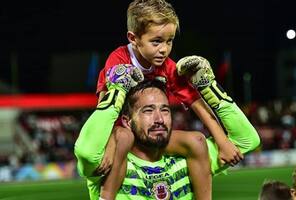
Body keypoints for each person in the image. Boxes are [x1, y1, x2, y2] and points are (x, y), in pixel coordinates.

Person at [96, 0, 244, 198]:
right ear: (133, 38)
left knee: (197, 140)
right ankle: (106, 195)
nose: (164, 49)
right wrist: (109, 143)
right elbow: (106, 105)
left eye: (170, 40)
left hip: (149, 135)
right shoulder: (118, 59)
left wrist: (222, 141)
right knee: (124, 138)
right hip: (123, 131)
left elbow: (196, 103)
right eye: (156, 41)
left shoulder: (168, 66)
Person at [74, 58, 260, 199]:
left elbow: (247, 139)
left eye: (165, 110)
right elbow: (87, 153)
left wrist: (208, 87)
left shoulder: (189, 157)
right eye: (148, 110)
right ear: (127, 121)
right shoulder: (111, 162)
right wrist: (117, 92)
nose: (159, 119)